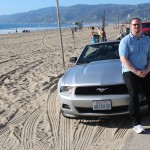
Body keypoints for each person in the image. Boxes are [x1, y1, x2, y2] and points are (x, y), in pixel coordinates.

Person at [119, 18, 150, 134]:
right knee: (134, 95)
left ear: (141, 26)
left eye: (138, 25)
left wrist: (147, 70)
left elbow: (149, 58)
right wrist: (136, 71)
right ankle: (136, 123)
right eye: (134, 25)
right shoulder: (125, 41)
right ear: (131, 26)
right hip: (130, 72)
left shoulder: (147, 40)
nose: (136, 27)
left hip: (145, 70)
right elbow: (123, 59)